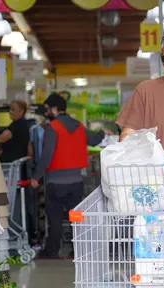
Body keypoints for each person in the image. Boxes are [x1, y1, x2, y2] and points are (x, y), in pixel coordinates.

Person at [30, 93, 110, 258]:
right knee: (76, 218)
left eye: (47, 110)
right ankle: (79, 250)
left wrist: (36, 177)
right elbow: (94, 140)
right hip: (76, 181)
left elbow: (47, 154)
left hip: (55, 182)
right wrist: (103, 132)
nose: (46, 113)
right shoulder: (79, 126)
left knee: (55, 219)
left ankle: (52, 251)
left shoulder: (53, 127)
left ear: (54, 109)